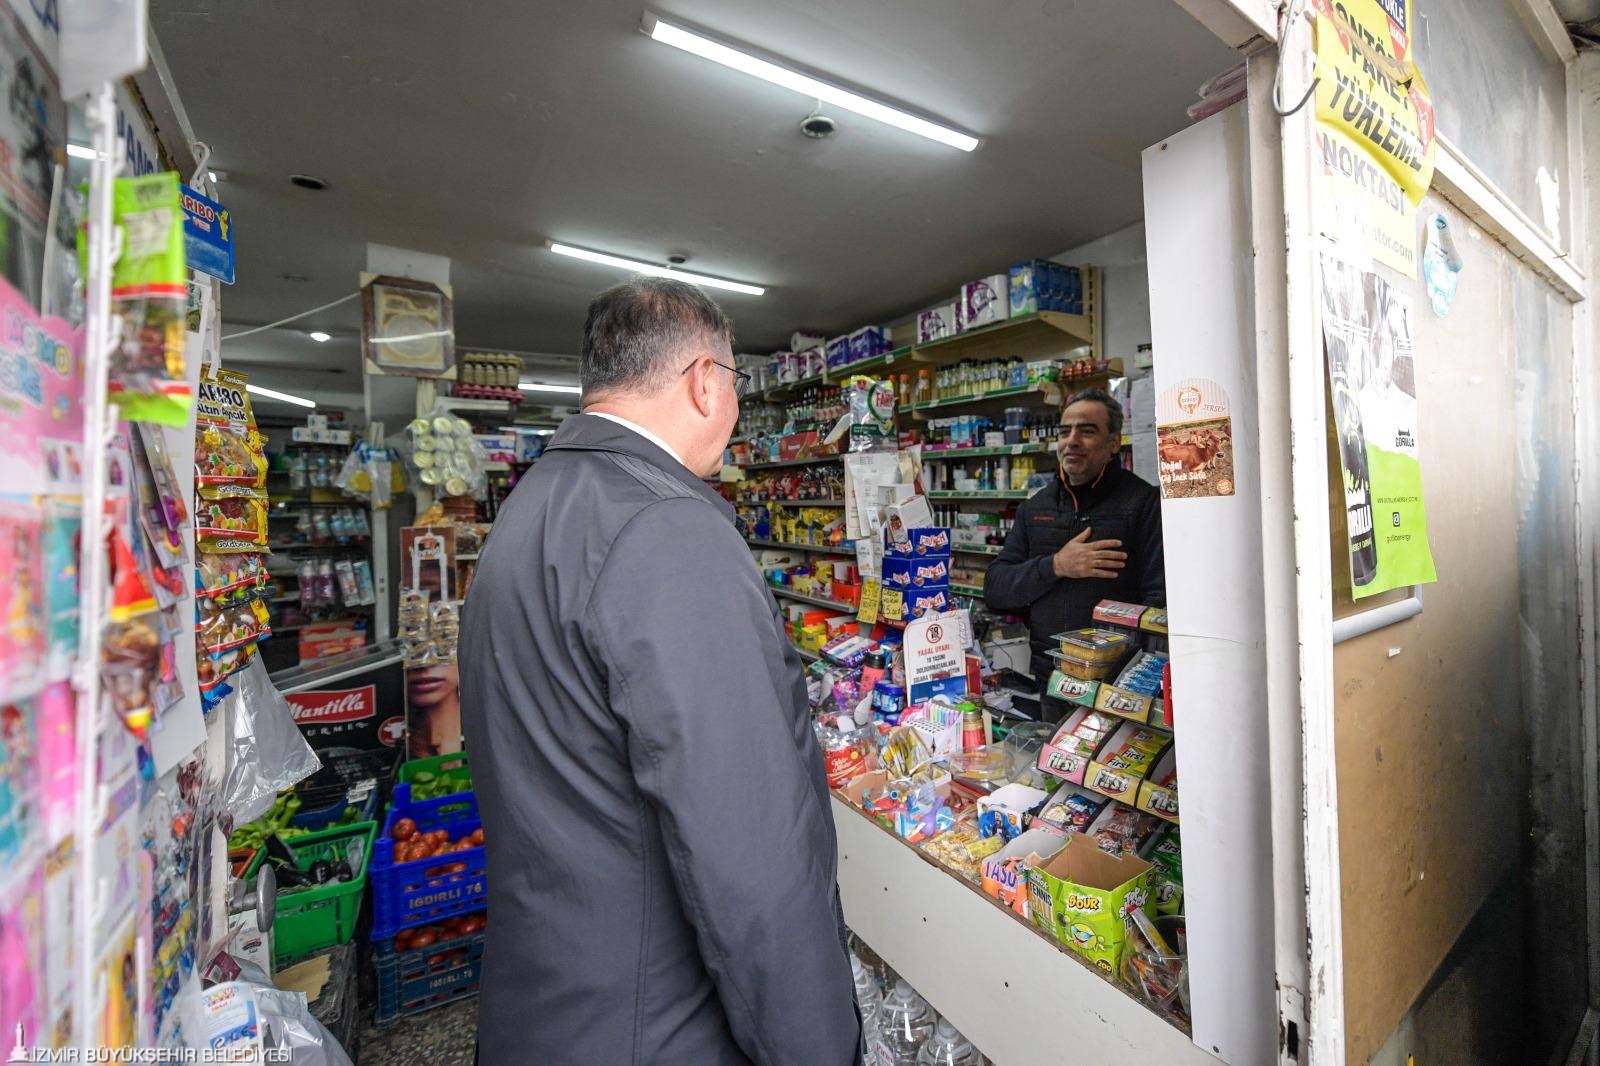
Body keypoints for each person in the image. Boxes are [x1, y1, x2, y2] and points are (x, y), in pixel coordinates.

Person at [459, 277, 861, 1066]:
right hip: (653, 1022)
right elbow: (750, 852)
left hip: (548, 997)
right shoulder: (667, 528)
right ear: (706, 382)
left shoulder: (534, 503)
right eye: (737, 384)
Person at [984, 387, 1164, 721]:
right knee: (1055, 769)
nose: (1072, 440)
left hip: (1118, 684)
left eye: (1087, 430)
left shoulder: (1142, 503)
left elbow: (1159, 598)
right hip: (1052, 676)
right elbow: (996, 588)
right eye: (1065, 431)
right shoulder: (1035, 509)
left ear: (1113, 443)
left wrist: (1138, 671)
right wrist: (1057, 565)